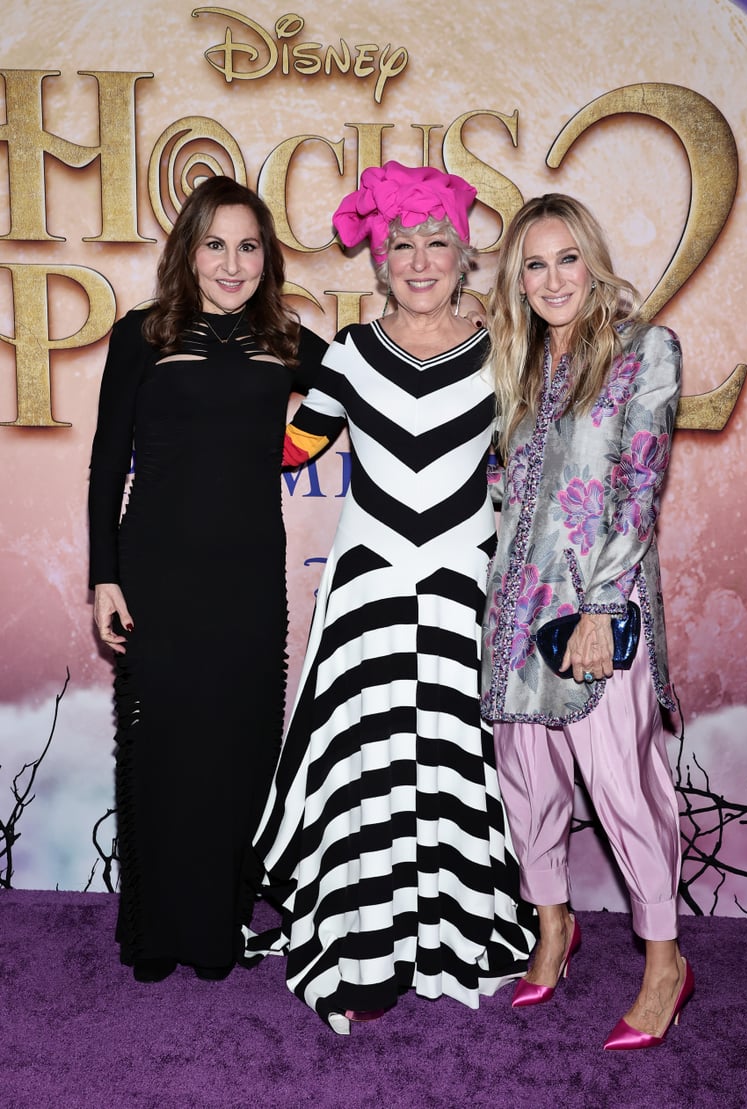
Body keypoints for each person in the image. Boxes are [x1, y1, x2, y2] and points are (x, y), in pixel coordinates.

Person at [246, 161, 536, 1034]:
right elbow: (295, 449)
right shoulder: (348, 355)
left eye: (435, 243)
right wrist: (228, 401)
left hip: (461, 589)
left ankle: (453, 937)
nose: (419, 260)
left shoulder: (503, 351)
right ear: (380, 260)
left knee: (453, 759)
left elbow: (535, 464)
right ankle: (363, 947)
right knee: (370, 762)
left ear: (463, 254)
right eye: (401, 244)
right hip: (369, 590)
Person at [89, 176, 327, 983]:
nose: (233, 262)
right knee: (159, 752)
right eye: (216, 244)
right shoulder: (141, 337)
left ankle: (219, 924)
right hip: (157, 577)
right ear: (189, 251)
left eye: (249, 245)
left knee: (239, 752)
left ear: (268, 257)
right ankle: (156, 932)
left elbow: (379, 386)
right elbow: (103, 468)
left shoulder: (291, 343)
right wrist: (103, 578)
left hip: (250, 581)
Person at [480, 193, 692, 1050]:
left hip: (598, 610)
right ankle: (555, 928)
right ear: (518, 280)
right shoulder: (521, 365)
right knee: (527, 780)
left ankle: (665, 962)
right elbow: (509, 494)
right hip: (516, 609)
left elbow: (640, 484)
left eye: (568, 258)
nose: (553, 277)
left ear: (593, 261)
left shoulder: (645, 350)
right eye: (535, 263)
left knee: (623, 786)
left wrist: (605, 605)